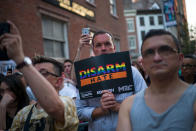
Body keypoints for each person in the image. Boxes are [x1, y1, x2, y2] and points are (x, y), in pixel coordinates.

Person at [0, 21, 79, 131]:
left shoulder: (68, 103)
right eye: (34, 74)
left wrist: (20, 59)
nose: (35, 78)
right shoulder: (23, 113)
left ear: (59, 81)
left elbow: (53, 108)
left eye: (43, 73)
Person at [117, 29, 196, 131]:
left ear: (180, 59)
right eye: (149, 53)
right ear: (143, 64)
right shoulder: (128, 106)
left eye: (165, 51)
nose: (157, 58)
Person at [74, 31, 147, 131]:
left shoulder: (132, 72)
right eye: (98, 45)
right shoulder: (86, 75)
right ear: (94, 50)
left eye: (107, 44)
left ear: (114, 48)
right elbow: (78, 111)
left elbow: (145, 104)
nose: (103, 48)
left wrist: (118, 107)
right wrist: (101, 110)